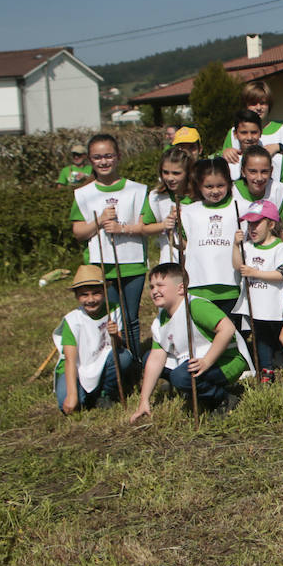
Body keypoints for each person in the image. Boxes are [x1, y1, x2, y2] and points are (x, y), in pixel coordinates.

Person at [128, 262, 253, 420]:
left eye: (160, 285)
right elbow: (156, 358)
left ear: (181, 288)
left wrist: (206, 361)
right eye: (151, 287)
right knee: (148, 359)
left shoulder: (196, 305)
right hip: (193, 360)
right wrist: (144, 400)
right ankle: (194, 388)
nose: (155, 291)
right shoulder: (160, 320)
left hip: (226, 360)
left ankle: (222, 398)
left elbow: (227, 329)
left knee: (180, 377)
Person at [69, 133, 153, 353]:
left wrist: (122, 228)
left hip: (132, 262)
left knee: (130, 318)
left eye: (108, 156)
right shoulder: (83, 194)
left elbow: (145, 225)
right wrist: (99, 221)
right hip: (100, 265)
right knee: (108, 317)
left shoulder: (137, 189)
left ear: (118, 156)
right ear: (90, 160)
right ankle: (111, 362)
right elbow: (78, 231)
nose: (103, 161)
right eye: (97, 157)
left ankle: (133, 362)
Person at [51, 265, 134, 413]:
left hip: (101, 360)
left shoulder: (113, 309)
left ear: (104, 292)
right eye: (84, 295)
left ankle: (105, 392)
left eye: (96, 293)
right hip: (76, 367)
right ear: (77, 296)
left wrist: (115, 335)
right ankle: (86, 393)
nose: (91, 299)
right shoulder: (72, 320)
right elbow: (70, 360)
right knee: (69, 406)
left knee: (124, 357)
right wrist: (72, 395)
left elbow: (118, 345)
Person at [233, 199, 283, 380]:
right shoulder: (247, 246)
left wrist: (255, 272)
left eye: (257, 223)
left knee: (282, 336)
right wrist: (235, 246)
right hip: (257, 304)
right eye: (249, 223)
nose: (252, 228)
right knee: (261, 338)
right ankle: (266, 370)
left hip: (276, 306)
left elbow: (281, 274)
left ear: (270, 224)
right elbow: (238, 265)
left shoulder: (279, 248)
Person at [180, 158, 246, 317]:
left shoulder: (239, 207)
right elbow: (184, 243)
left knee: (231, 334)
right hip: (199, 285)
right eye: (209, 186)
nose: (215, 191)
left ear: (229, 184)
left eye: (220, 185)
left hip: (230, 286)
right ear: (199, 185)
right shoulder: (188, 211)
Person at [218, 80, 283, 163]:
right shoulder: (233, 132)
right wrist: (225, 152)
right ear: (245, 105)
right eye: (253, 103)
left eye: (263, 103)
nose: (258, 108)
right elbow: (221, 162)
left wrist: (279, 148)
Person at [229, 110, 283, 201]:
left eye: (254, 132)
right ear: (235, 134)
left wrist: (282, 191)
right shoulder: (230, 160)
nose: (249, 138)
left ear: (261, 133)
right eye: (244, 133)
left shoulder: (275, 158)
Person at [146, 147, 194, 265]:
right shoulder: (156, 197)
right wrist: (164, 225)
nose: (170, 178)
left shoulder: (199, 197)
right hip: (170, 260)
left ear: (188, 172)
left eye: (176, 173)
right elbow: (144, 227)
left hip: (195, 260)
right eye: (165, 172)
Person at [234, 144, 283, 213]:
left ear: (271, 171)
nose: (259, 178)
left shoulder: (277, 190)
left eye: (264, 172)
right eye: (253, 172)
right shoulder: (233, 192)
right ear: (243, 172)